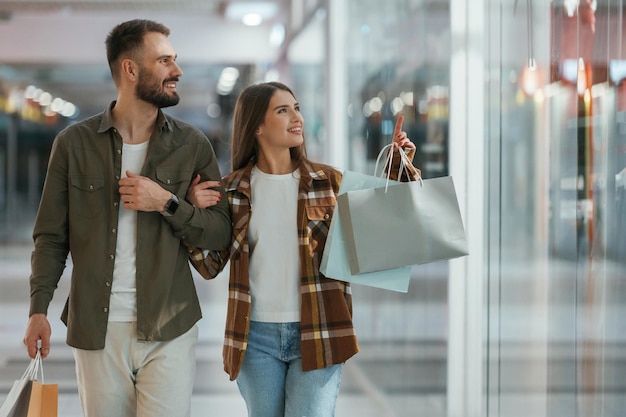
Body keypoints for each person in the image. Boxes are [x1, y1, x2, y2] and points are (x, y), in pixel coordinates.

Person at [22, 19, 231, 417]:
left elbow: (219, 233)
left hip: (170, 324)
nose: (177, 70)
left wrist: (168, 202)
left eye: (176, 59)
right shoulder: (73, 144)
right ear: (131, 70)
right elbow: (50, 237)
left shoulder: (191, 145)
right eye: (165, 60)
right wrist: (38, 310)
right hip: (97, 330)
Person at [186, 81, 420, 417]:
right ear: (257, 126)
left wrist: (398, 169)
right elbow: (209, 265)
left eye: (297, 108)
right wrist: (194, 214)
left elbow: (381, 235)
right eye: (283, 110)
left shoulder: (329, 182)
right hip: (255, 339)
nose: (297, 117)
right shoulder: (232, 191)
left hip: (320, 329)